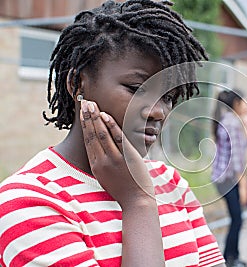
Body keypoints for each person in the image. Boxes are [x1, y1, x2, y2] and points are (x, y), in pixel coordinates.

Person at [0, 1, 226, 266]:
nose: (159, 112)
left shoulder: (172, 184)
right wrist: (138, 203)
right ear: (76, 84)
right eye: (137, 88)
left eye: (169, 97)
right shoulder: (28, 203)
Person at [211, 89, 247, 267]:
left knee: (237, 218)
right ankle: (229, 258)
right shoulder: (232, 123)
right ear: (236, 104)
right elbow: (236, 160)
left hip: (223, 178)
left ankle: (233, 256)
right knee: (237, 218)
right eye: (244, 103)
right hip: (228, 179)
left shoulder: (228, 120)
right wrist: (243, 186)